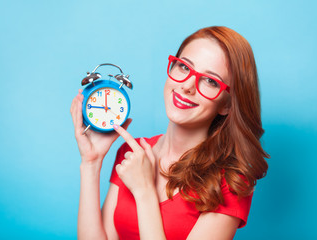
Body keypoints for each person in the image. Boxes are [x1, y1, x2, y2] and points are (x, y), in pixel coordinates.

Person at [70, 26, 269, 240]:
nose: (187, 86)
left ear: (227, 105)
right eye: (184, 67)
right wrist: (91, 163)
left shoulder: (230, 183)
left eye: (210, 81)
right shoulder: (132, 152)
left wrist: (145, 192)